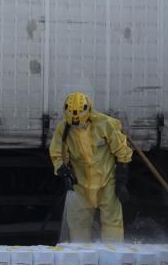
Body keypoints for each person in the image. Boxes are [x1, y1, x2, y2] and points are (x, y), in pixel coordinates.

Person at [49, 92, 133, 243]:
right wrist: (63, 171)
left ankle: (112, 255)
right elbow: (57, 154)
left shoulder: (105, 124)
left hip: (107, 183)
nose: (77, 126)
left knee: (112, 220)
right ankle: (81, 258)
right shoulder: (63, 130)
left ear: (88, 112)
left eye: (80, 122)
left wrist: (121, 181)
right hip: (80, 185)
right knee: (78, 221)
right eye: (73, 123)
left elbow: (122, 151)